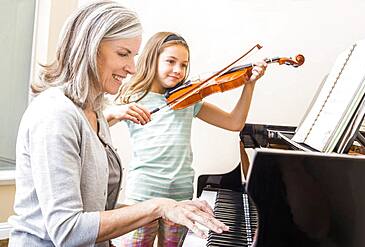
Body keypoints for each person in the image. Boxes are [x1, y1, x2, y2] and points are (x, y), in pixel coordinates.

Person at [7, 2, 228, 247]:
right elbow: (67, 231)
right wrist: (158, 206)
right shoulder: (55, 115)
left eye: (133, 56)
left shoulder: (94, 111)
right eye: (123, 54)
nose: (132, 68)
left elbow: (96, 208)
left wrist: (172, 207)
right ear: (89, 49)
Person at [115, 31, 267, 246]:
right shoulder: (132, 98)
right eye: (171, 61)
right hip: (143, 196)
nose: (178, 70)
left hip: (180, 196)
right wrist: (116, 112)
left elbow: (234, 123)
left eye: (184, 65)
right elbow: (96, 123)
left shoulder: (189, 99)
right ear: (152, 59)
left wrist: (248, 84)